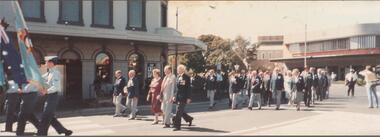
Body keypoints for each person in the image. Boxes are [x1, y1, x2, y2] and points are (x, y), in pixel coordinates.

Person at [37, 56, 72, 136]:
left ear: (52, 63)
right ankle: (65, 131)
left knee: (46, 116)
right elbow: (40, 79)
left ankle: (41, 134)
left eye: (48, 62)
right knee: (51, 117)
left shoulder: (55, 73)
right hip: (49, 97)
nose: (46, 63)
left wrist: (46, 91)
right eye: (46, 62)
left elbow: (56, 87)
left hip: (53, 97)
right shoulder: (48, 73)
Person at [173, 65, 193, 131]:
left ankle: (177, 126)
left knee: (178, 111)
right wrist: (174, 96)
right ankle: (189, 119)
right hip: (178, 97)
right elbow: (177, 88)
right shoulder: (178, 77)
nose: (177, 70)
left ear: (182, 70)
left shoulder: (186, 77)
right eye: (178, 69)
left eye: (179, 69)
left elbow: (189, 88)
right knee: (180, 111)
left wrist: (189, 98)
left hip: (184, 97)